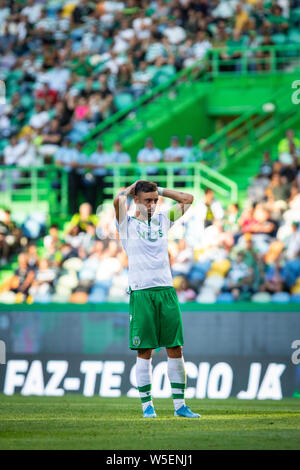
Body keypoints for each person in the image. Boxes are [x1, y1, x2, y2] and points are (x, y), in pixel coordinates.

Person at [113, 179, 200, 419]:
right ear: (136, 201)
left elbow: (188, 199)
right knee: (145, 350)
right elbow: (117, 201)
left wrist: (159, 190)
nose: (152, 205)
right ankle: (147, 406)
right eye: (147, 200)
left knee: (175, 347)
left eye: (155, 200)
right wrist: (131, 189)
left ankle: (180, 406)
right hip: (141, 292)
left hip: (166, 290)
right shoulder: (126, 223)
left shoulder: (163, 219)